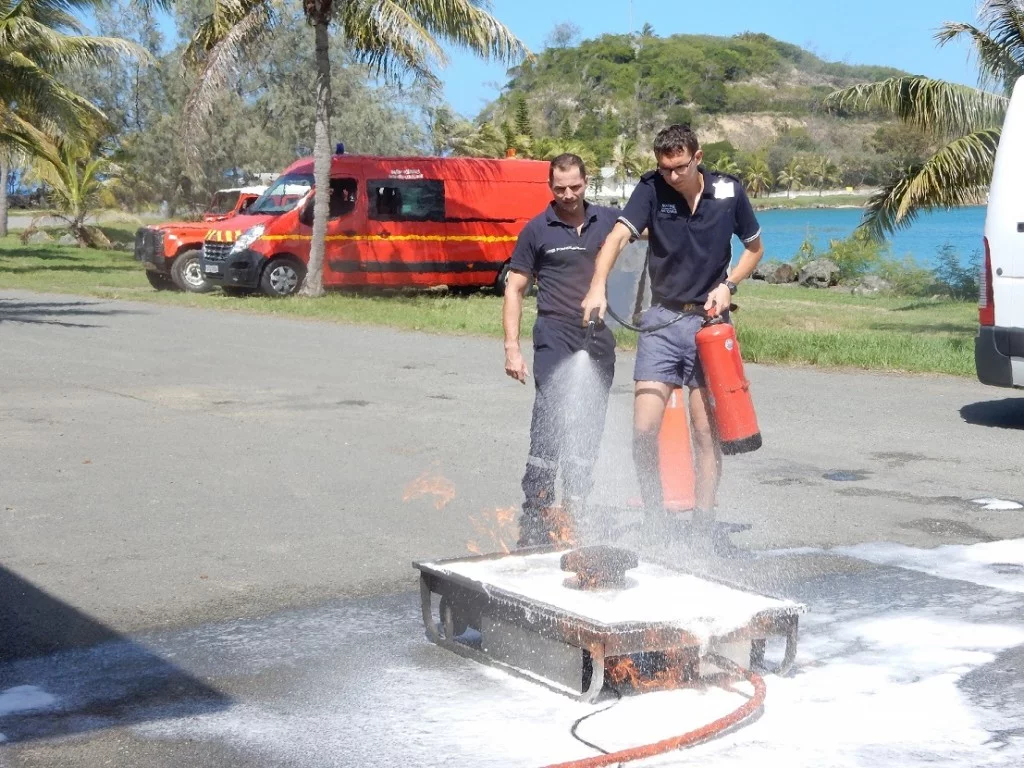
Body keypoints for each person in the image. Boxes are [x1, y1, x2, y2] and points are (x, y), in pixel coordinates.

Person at [581, 124, 764, 539]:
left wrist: (729, 285)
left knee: (704, 433)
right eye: (665, 168)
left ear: (698, 158)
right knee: (643, 430)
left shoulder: (728, 192)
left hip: (708, 325)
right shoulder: (651, 189)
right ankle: (655, 517)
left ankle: (703, 525)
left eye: (680, 167)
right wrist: (597, 287)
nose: (672, 176)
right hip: (660, 323)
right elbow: (617, 238)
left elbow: (755, 249)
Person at [503, 154, 620, 547]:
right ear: (549, 186)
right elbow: (515, 289)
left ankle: (574, 510)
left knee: (589, 426)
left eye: (575, 187)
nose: (568, 195)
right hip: (554, 334)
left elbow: (656, 233)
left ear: (586, 182)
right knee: (549, 422)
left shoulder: (609, 221)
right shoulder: (537, 230)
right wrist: (512, 348)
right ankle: (536, 513)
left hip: (597, 337)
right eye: (560, 188)